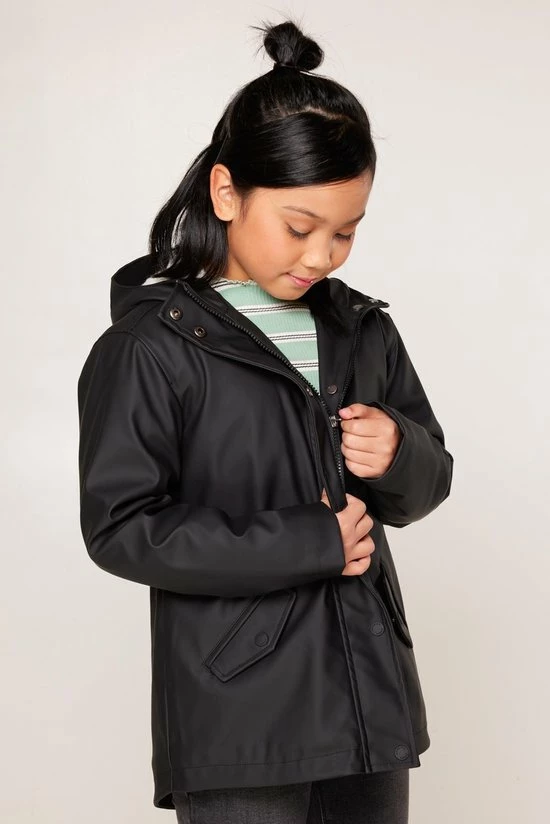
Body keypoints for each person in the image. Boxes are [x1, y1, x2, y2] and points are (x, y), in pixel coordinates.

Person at [77, 16, 454, 824]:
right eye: (299, 227)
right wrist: (306, 541)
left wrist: (400, 453)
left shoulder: (362, 328)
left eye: (345, 232)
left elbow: (429, 484)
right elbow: (121, 527)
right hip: (239, 720)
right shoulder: (151, 348)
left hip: (369, 708)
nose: (322, 256)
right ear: (226, 192)